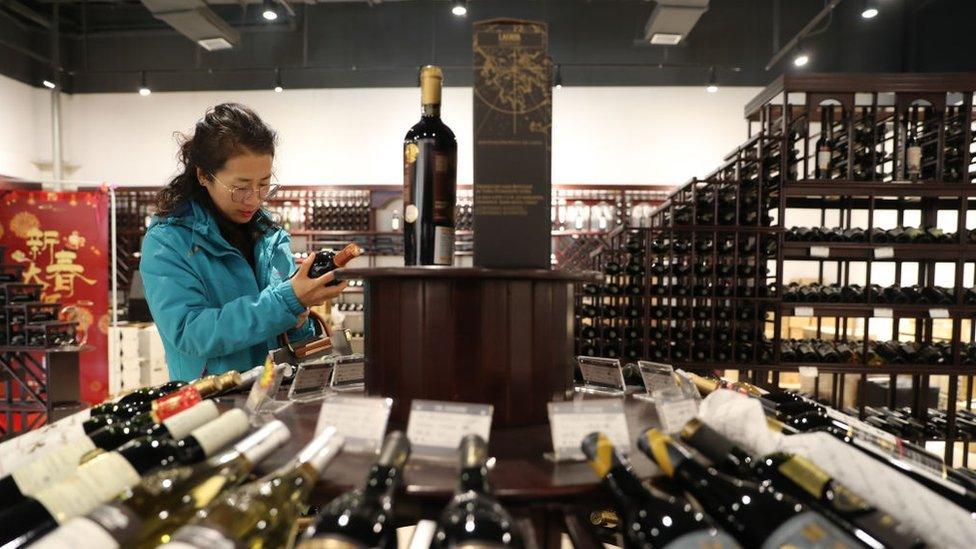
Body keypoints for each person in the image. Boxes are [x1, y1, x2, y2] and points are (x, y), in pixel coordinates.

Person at [141, 103, 347, 381]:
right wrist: (287, 301)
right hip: (211, 404)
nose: (254, 198)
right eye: (240, 187)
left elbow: (290, 335)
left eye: (264, 184)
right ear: (203, 175)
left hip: (275, 395)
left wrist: (300, 314)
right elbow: (191, 333)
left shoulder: (270, 235)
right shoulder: (169, 242)